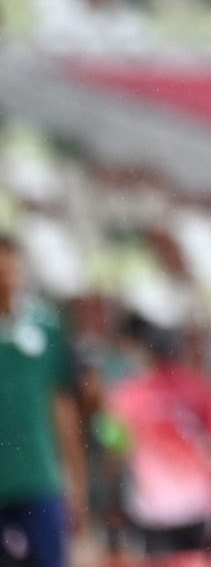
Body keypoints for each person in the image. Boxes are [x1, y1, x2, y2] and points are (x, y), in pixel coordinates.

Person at [103, 323, 211, 564]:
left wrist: (113, 500)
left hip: (152, 509)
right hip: (199, 505)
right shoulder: (200, 389)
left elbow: (113, 448)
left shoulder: (127, 394)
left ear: (147, 354)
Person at [0, 235, 89, 567]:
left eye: (10, 269)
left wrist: (76, 483)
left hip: (37, 478)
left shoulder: (45, 326)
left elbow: (61, 407)